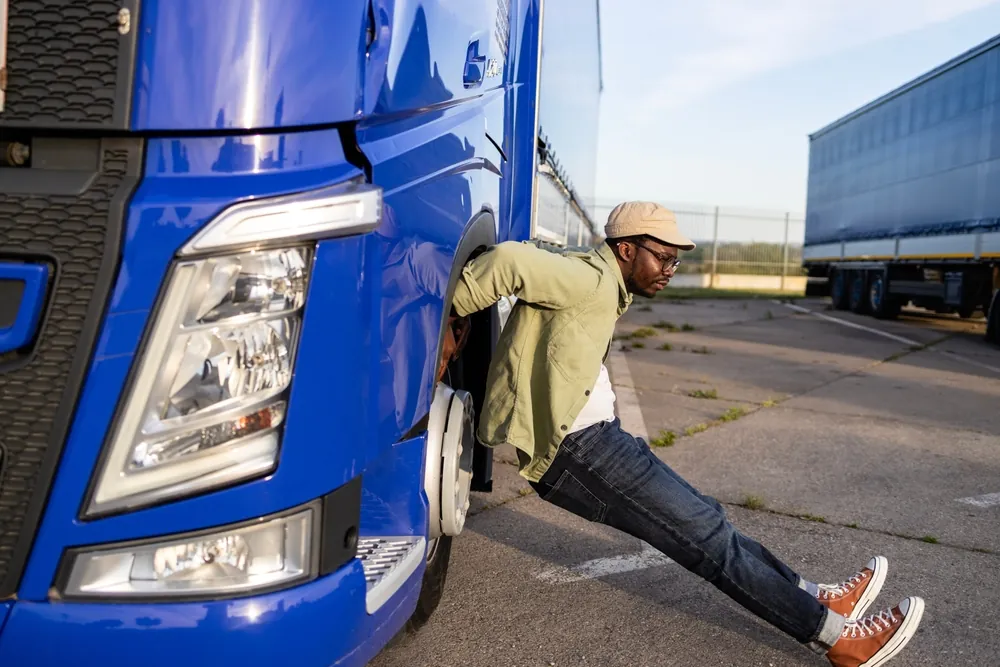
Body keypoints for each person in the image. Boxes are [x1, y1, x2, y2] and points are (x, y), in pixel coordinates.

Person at [448, 201, 925, 667]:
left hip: (600, 439)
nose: (671, 268)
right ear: (627, 249)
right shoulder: (589, 279)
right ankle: (839, 641)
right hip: (578, 452)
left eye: (676, 259)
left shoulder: (601, 278)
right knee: (709, 544)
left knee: (711, 523)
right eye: (663, 256)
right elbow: (510, 260)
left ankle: (817, 598)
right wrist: (451, 313)